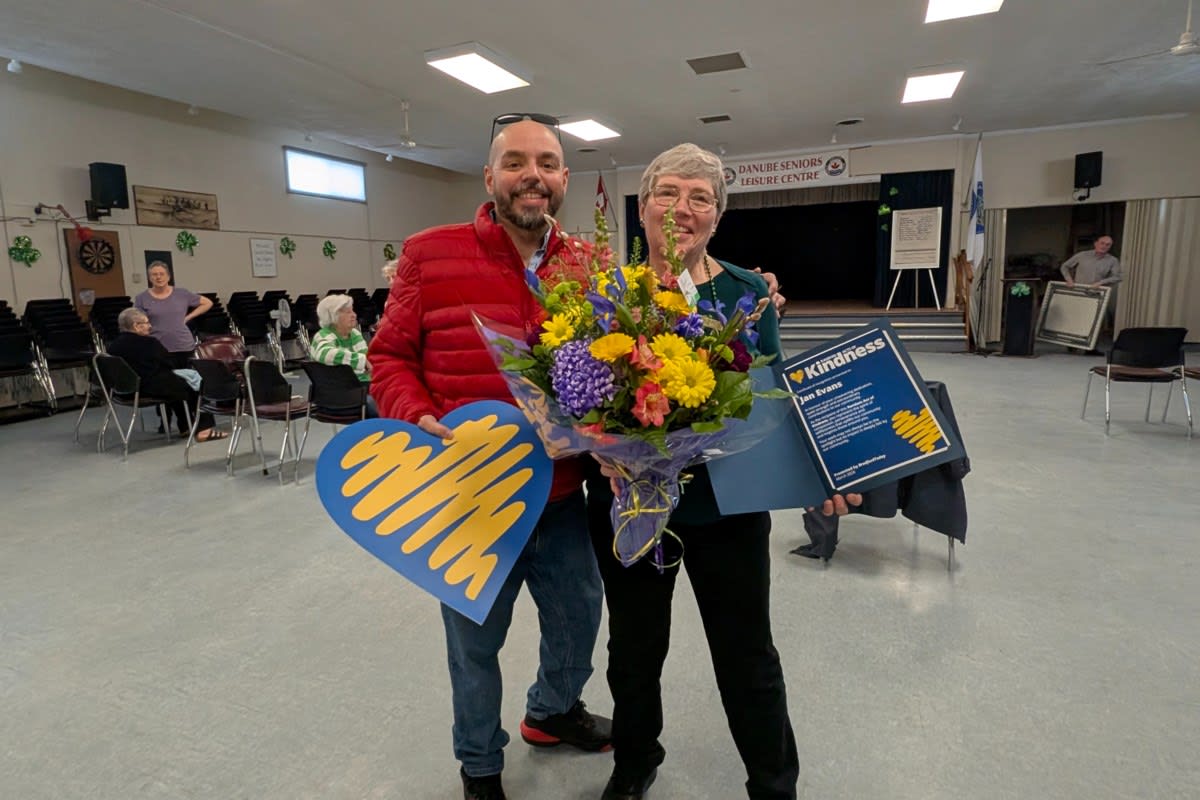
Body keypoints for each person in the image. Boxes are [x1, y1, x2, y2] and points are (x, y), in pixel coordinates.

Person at [584, 143, 858, 800]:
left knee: (748, 656)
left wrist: (819, 476)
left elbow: (773, 396)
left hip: (729, 508)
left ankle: (773, 783)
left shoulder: (747, 291)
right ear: (644, 207)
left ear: (717, 214)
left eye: (700, 197)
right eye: (668, 193)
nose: (682, 208)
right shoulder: (607, 293)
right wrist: (593, 442)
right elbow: (581, 396)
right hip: (631, 506)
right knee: (634, 651)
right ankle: (634, 761)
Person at [367, 116, 612, 800]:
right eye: (516, 162)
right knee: (474, 648)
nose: (532, 174)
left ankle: (551, 712)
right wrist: (413, 414)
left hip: (563, 495)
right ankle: (480, 765)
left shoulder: (590, 265)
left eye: (547, 162)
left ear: (564, 177)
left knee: (579, 618)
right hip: (472, 497)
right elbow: (388, 355)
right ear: (490, 177)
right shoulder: (428, 253)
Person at [105, 307, 225, 442]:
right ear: (136, 326)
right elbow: (168, 364)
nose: (150, 326)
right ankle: (205, 429)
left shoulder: (112, 347)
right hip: (147, 389)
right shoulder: (149, 343)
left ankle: (185, 426)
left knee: (175, 385)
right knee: (196, 384)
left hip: (124, 392)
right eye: (146, 323)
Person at [134, 262, 212, 367]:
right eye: (154, 274)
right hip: (157, 347)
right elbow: (138, 322)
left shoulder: (182, 293)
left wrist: (188, 317)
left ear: (168, 277)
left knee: (187, 378)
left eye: (162, 274)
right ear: (150, 278)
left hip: (183, 346)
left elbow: (207, 303)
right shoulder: (141, 298)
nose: (158, 277)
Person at [311, 294, 378, 417]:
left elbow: (369, 364)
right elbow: (325, 354)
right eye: (348, 312)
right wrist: (361, 361)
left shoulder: (354, 334)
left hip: (362, 387)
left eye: (353, 310)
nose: (354, 315)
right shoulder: (323, 336)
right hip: (338, 394)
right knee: (381, 404)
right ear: (334, 317)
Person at [1060, 234, 1121, 352]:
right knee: (1076, 318)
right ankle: (1072, 344)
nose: (1104, 246)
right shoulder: (1082, 255)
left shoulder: (1112, 261)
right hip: (1079, 293)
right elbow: (1065, 266)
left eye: (1108, 245)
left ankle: (1091, 348)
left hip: (1097, 294)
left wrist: (1102, 282)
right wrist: (1069, 279)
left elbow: (1117, 277)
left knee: (1095, 322)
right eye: (1102, 243)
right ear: (1096, 243)